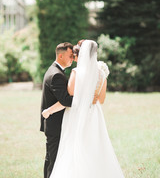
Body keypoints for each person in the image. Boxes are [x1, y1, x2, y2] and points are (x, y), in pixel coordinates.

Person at [42, 40, 125, 178]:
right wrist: (90, 97)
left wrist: (48, 111)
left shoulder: (76, 72)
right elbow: (101, 100)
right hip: (94, 114)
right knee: (94, 146)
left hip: (77, 115)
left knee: (74, 147)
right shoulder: (101, 74)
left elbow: (68, 101)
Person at [40, 42, 74, 178]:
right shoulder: (56, 75)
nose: (72, 58)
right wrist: (84, 97)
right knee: (53, 161)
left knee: (50, 159)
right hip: (55, 125)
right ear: (61, 55)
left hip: (53, 124)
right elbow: (65, 100)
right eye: (70, 56)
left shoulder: (54, 70)